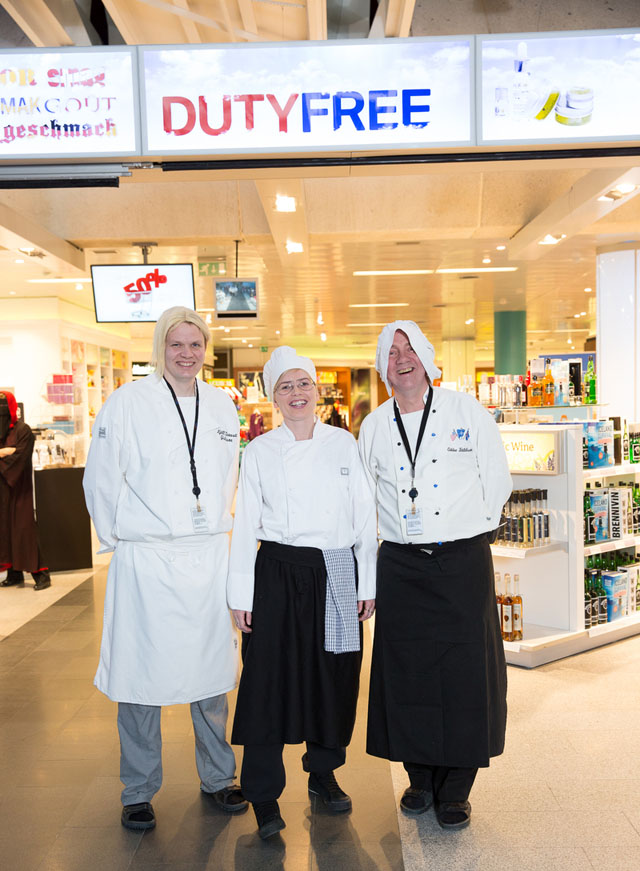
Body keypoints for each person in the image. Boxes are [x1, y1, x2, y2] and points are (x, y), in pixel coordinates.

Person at [83, 306, 247, 831]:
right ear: (161, 348)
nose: (186, 354)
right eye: (176, 344)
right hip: (147, 561)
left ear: (206, 351)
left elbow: (229, 476)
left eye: (195, 344)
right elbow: (101, 479)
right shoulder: (127, 403)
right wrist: (119, 539)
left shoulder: (221, 406)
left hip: (207, 559)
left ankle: (219, 778)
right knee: (139, 679)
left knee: (211, 677)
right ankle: (138, 789)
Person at [358, 321, 512, 830]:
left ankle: (456, 787)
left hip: (462, 561)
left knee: (466, 675)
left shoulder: (468, 412)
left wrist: (469, 535)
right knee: (408, 672)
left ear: (426, 358)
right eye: (392, 352)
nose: (402, 359)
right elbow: (364, 501)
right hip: (401, 565)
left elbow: (497, 481)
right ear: (382, 367)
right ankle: (419, 777)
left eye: (409, 350)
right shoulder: (374, 426)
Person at [227, 346, 377, 839]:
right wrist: (240, 594)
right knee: (266, 679)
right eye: (286, 386)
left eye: (304, 384)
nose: (297, 393)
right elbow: (245, 524)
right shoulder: (260, 451)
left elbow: (364, 516)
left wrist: (367, 582)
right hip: (276, 570)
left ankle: (323, 772)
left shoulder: (344, 444)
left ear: (317, 391)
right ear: (274, 397)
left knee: (332, 676)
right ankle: (263, 794)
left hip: (335, 569)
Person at [0, 390, 51, 591]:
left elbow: (19, 460)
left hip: (19, 490)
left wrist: (8, 454)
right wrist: (4, 452)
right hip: (2, 492)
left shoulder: (24, 431)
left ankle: (41, 574)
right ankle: (14, 573)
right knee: (5, 532)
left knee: (24, 530)